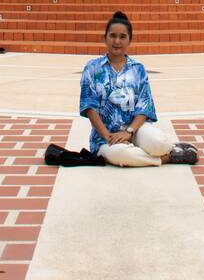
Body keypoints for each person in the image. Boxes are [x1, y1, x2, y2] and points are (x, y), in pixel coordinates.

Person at [79, 11, 197, 167]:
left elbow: (144, 105)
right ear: (105, 38)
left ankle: (167, 148)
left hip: (135, 130)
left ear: (130, 40)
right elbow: (89, 107)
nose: (117, 41)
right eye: (113, 36)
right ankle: (167, 158)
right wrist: (107, 135)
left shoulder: (138, 69)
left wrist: (129, 132)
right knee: (123, 155)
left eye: (122, 37)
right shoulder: (92, 68)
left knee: (159, 143)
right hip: (105, 136)